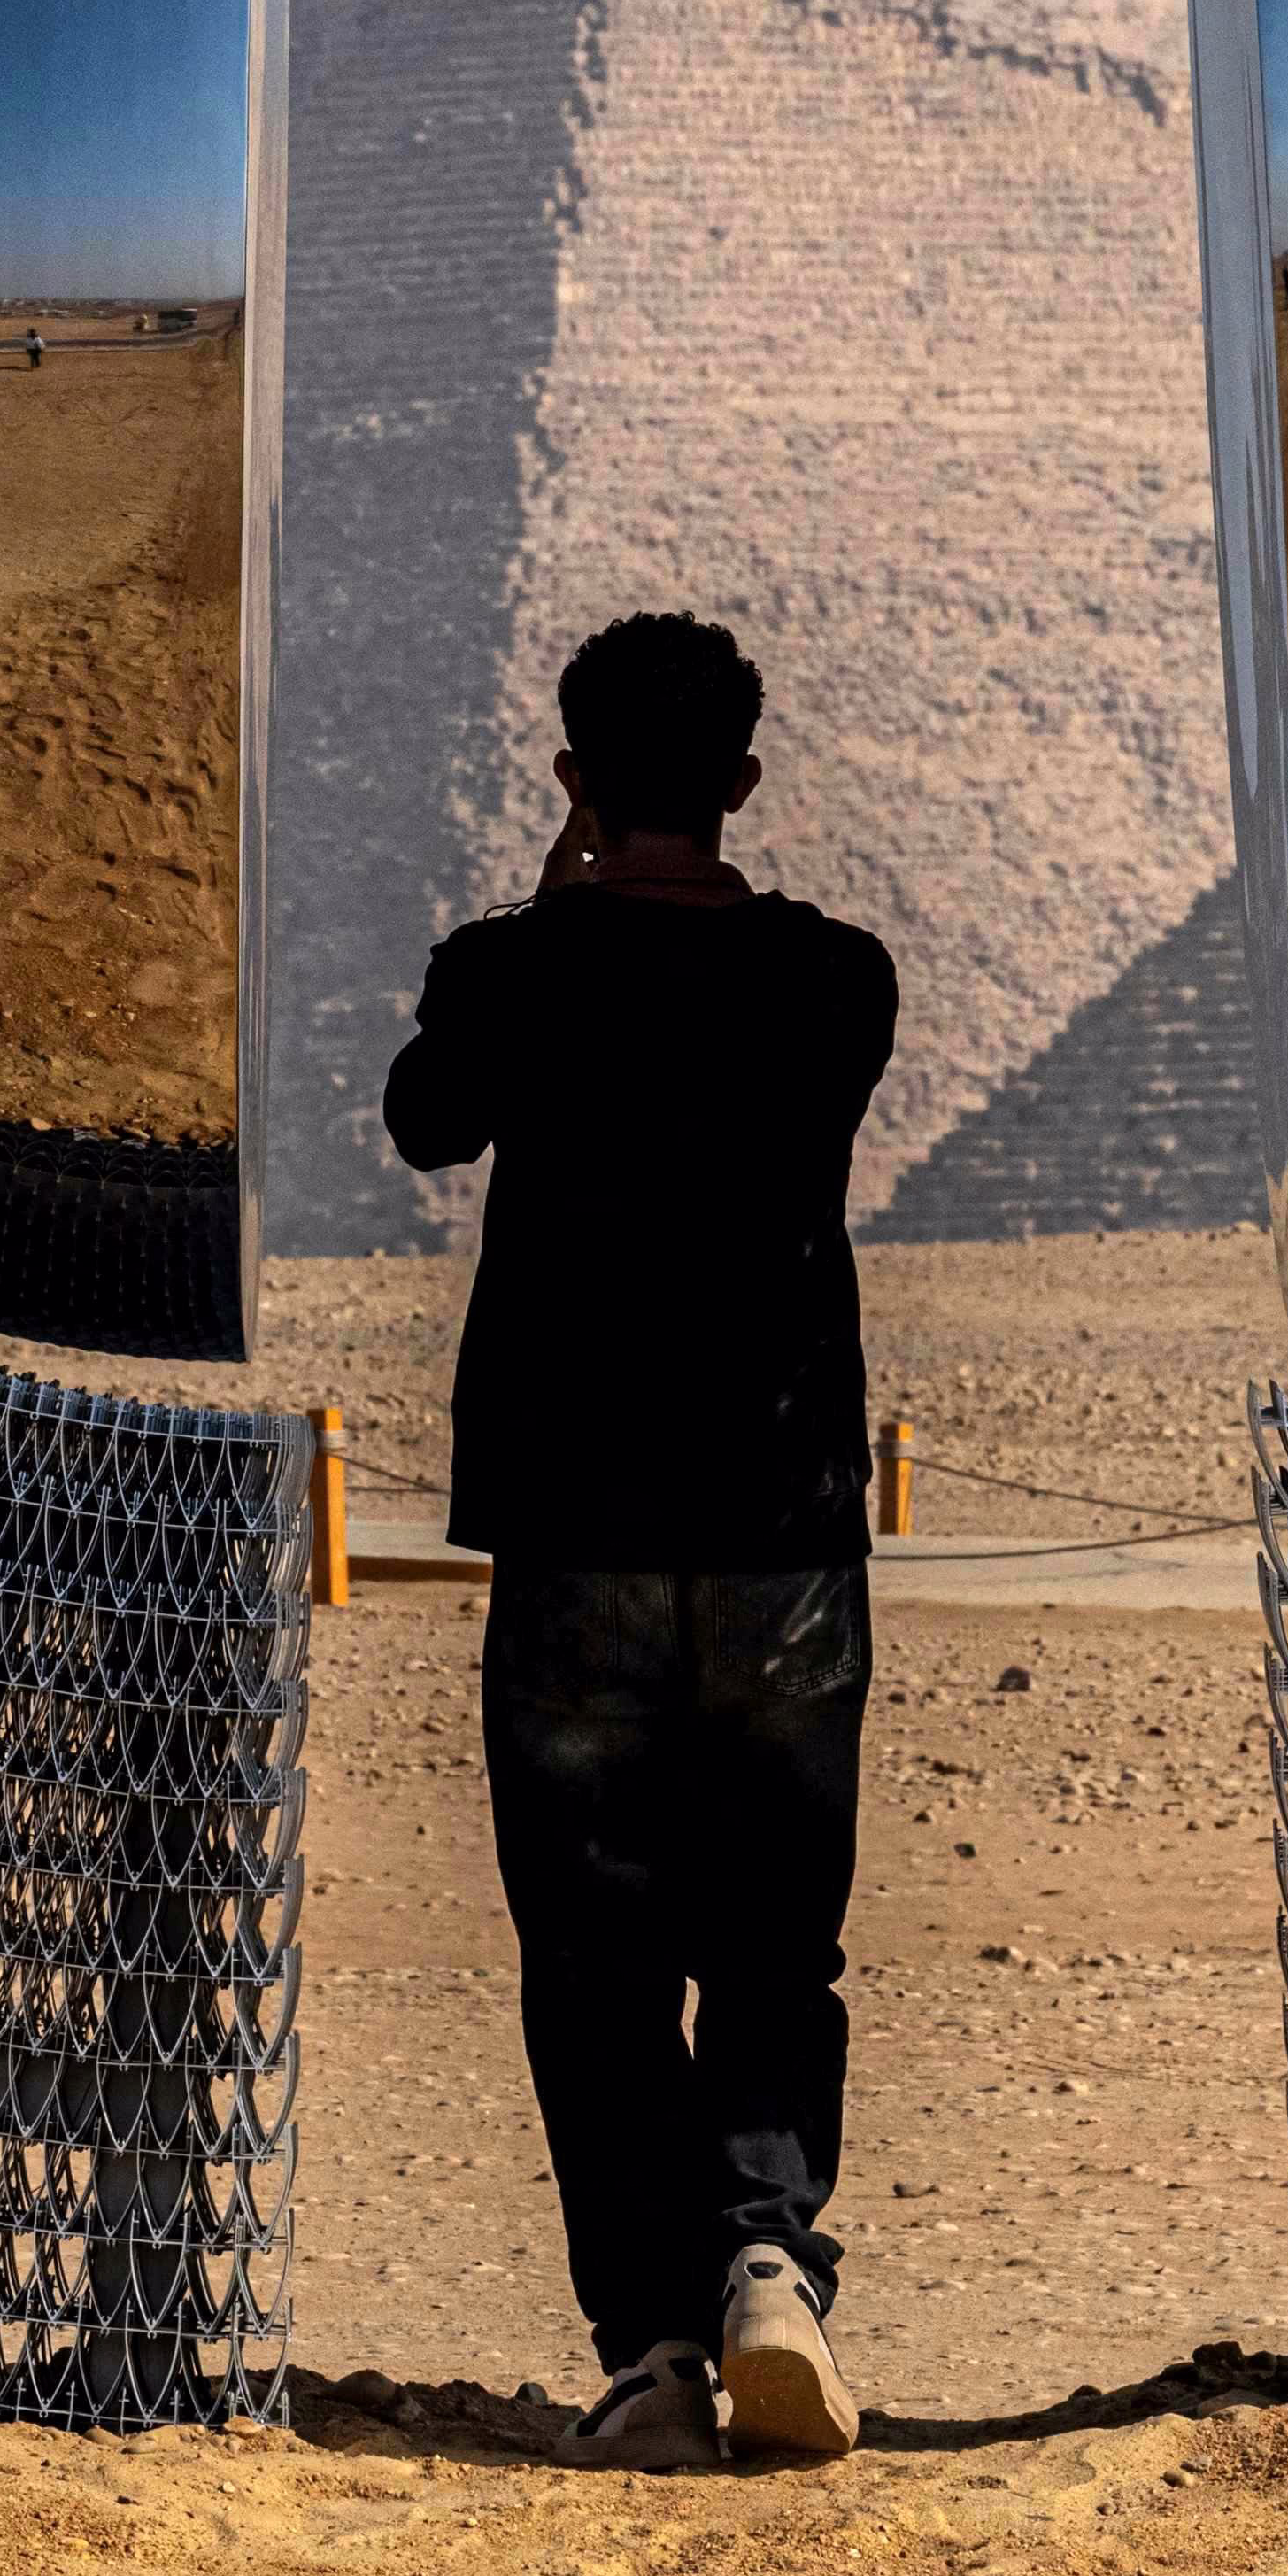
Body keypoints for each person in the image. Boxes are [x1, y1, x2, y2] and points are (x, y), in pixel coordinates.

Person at [383, 610, 899, 2470]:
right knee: (776, 1935)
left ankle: (655, 2345)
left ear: (577, 777)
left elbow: (425, 1117)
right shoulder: (839, 981)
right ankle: (770, 2258)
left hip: (580, 1531)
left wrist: (544, 907)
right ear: (746, 779)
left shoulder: (517, 976)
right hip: (779, 1531)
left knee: (594, 1958)